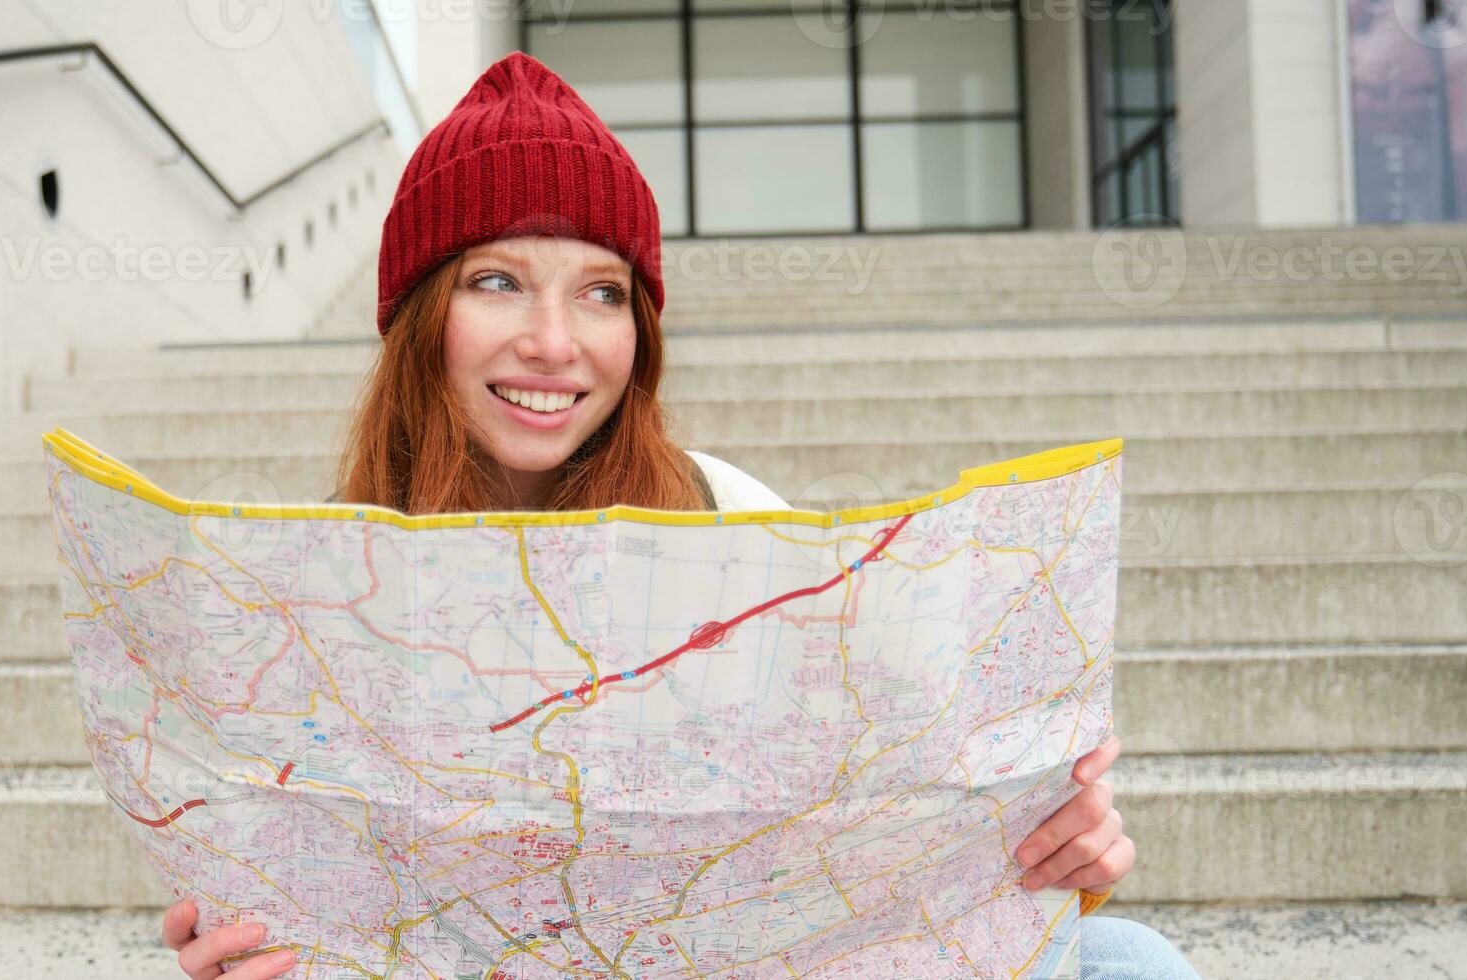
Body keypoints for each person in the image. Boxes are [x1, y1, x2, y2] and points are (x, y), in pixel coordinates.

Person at [163, 51, 1198, 980]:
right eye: (496, 281)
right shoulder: (315, 590)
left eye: (601, 292)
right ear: (417, 317)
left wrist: (1048, 846)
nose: (553, 341)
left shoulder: (727, 514)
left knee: (1125, 959)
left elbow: (884, 823)